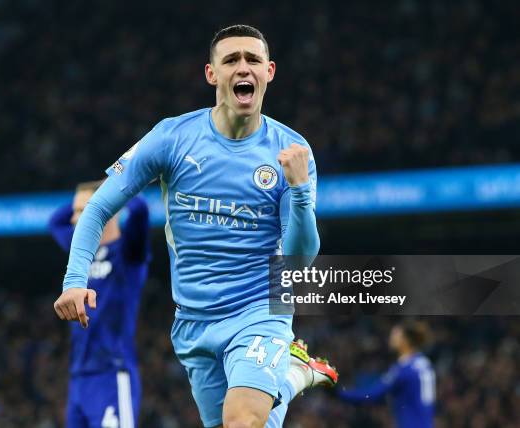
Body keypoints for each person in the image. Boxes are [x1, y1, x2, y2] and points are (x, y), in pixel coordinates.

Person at [53, 25, 337, 428]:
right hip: (194, 319)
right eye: (232, 60)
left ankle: (286, 372)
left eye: (253, 60)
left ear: (269, 72)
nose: (244, 68)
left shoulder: (292, 152)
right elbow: (98, 208)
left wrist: (301, 191)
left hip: (260, 309)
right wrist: (74, 280)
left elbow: (299, 261)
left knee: (242, 422)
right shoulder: (172, 138)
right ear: (211, 73)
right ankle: (292, 376)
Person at [49, 180, 150, 428]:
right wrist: (85, 194)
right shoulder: (80, 254)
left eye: (81, 212)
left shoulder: (128, 253)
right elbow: (55, 222)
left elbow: (140, 210)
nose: (73, 219)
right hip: (79, 378)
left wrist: (112, 187)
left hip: (112, 373)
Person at [337, 320, 436, 428]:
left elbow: (373, 394)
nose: (391, 337)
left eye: (395, 334)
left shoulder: (404, 369)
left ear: (405, 340)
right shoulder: (424, 363)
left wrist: (340, 393)